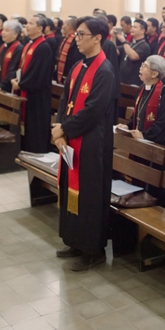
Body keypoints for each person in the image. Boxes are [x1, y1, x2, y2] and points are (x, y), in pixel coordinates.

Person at [53, 16, 116, 272]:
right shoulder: (78, 66)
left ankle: (93, 250)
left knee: (89, 195)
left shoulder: (104, 71)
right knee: (70, 190)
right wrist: (60, 129)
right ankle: (75, 241)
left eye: (81, 34)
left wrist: (64, 129)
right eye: (76, 34)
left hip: (92, 144)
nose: (76, 39)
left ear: (97, 38)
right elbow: (64, 101)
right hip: (71, 138)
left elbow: (93, 111)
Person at [11, 15, 54, 153]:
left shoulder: (43, 47)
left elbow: (37, 73)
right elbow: (23, 67)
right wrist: (17, 80)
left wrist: (21, 84)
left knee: (36, 128)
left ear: (40, 28)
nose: (27, 26)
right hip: (28, 91)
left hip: (37, 96)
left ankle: (35, 153)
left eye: (30, 23)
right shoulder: (29, 44)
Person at [126, 55, 165, 146]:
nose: (140, 68)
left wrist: (144, 135)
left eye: (145, 66)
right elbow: (138, 112)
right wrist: (127, 126)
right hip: (137, 138)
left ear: (154, 74)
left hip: (155, 143)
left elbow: (163, 123)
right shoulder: (142, 88)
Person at [115, 19, 151, 87]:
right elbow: (116, 51)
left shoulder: (145, 46)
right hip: (122, 80)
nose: (132, 29)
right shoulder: (130, 44)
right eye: (132, 27)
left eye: (135, 27)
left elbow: (133, 57)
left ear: (142, 30)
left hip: (134, 82)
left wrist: (124, 41)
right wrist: (113, 37)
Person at [56, 17, 83, 83]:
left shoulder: (76, 40)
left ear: (69, 26)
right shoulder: (66, 38)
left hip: (69, 76)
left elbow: (75, 59)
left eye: (64, 24)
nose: (62, 26)